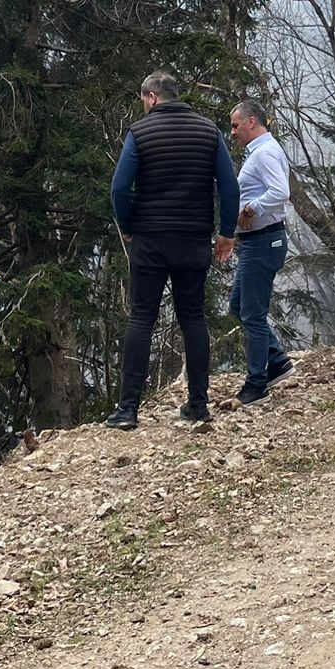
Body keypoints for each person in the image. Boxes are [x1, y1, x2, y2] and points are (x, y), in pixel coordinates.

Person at [107, 71, 240, 429]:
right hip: (194, 238)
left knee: (141, 318)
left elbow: (119, 189)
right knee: (193, 318)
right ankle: (198, 404)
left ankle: (128, 409)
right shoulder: (208, 132)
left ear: (151, 98)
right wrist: (226, 233)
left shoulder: (139, 133)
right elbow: (229, 187)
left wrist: (128, 224)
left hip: (150, 239)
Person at [228, 99, 295, 405]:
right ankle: (277, 360)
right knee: (239, 305)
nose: (233, 132)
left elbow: (281, 192)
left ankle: (257, 383)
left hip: (263, 240)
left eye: (235, 125)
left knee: (252, 314)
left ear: (252, 122)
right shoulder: (262, 152)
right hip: (256, 242)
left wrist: (251, 209)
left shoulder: (265, 153)